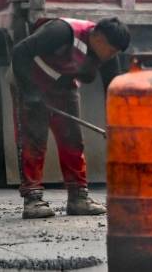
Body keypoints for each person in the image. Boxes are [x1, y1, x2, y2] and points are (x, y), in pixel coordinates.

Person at [10, 17, 130, 219]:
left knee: (72, 140)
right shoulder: (61, 32)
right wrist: (31, 92)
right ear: (98, 38)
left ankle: (78, 198)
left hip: (64, 86)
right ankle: (32, 199)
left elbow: (113, 89)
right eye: (111, 51)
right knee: (34, 139)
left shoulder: (108, 53)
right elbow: (20, 52)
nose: (112, 56)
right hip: (30, 80)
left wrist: (117, 124)